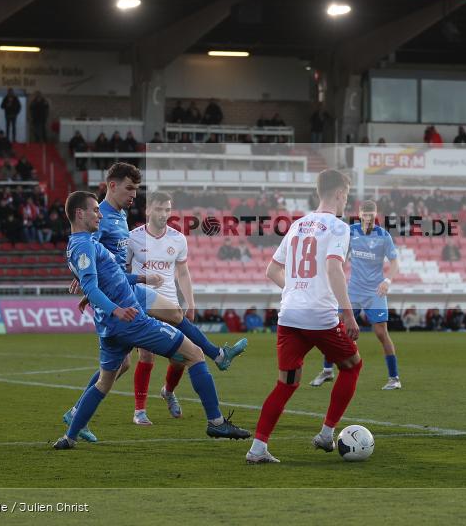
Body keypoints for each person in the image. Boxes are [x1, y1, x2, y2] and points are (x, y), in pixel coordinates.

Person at [52, 191, 250, 450]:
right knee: (195, 355)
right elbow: (90, 285)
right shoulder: (86, 246)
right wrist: (116, 309)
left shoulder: (78, 244)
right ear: (80, 213)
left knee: (104, 381)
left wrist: (139, 281)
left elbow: (110, 278)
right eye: (94, 210)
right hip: (129, 320)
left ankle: (69, 437)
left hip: (110, 329)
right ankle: (216, 421)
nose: (100, 214)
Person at [245, 169, 361, 464]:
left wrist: (297, 289)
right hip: (319, 316)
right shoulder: (338, 227)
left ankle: (257, 448)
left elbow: (271, 270)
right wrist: (348, 314)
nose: (346, 200)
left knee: (286, 382)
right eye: (346, 194)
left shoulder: (297, 225)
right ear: (339, 193)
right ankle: (326, 434)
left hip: (290, 313)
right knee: (351, 365)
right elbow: (334, 268)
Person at [125, 189, 248, 426]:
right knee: (146, 355)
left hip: (170, 303)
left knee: (181, 358)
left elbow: (182, 271)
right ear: (148, 209)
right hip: (143, 302)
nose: (163, 213)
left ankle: (168, 391)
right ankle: (139, 411)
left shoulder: (178, 239)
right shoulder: (132, 238)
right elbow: (126, 270)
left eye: (167, 209)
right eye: (159, 209)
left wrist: (190, 301)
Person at [309, 200, 402, 390]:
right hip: (353, 290)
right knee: (335, 327)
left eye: (371, 214)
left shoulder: (383, 236)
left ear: (375, 214)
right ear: (359, 214)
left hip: (375, 291)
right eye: (364, 214)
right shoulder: (350, 232)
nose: (368, 217)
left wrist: (387, 281)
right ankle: (327, 371)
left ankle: (394, 378)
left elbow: (394, 262)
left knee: (381, 333)